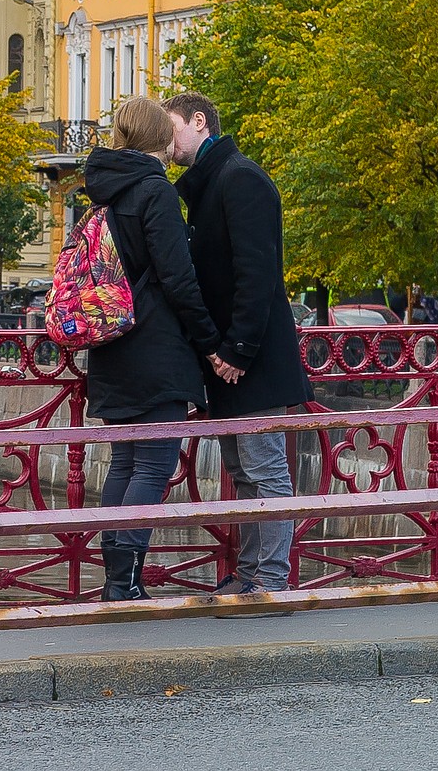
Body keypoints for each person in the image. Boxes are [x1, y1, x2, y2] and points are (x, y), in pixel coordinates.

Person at [164, 91, 312, 598]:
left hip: (249, 361)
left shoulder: (240, 178)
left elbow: (257, 274)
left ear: (199, 121)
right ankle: (251, 576)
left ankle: (270, 581)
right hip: (230, 359)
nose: (168, 140)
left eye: (172, 128)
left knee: (265, 473)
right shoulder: (216, 181)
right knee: (244, 474)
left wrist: (236, 350)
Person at [84, 95, 220, 602]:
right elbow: (178, 278)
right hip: (155, 350)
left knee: (124, 464)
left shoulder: (102, 190)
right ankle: (126, 580)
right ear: (159, 137)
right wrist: (208, 341)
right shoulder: (154, 191)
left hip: (111, 348)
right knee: (153, 466)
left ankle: (116, 579)